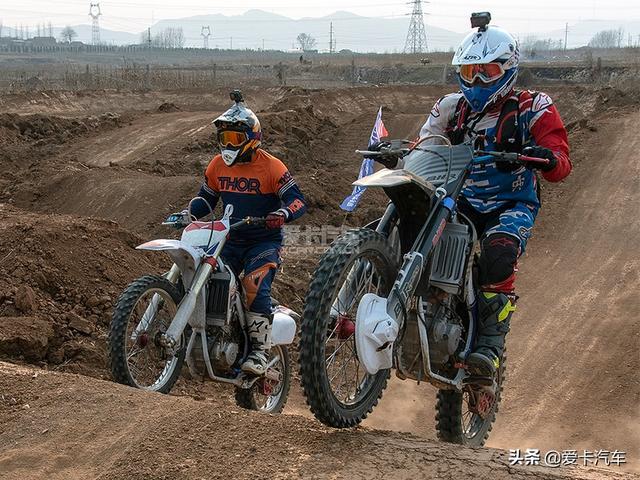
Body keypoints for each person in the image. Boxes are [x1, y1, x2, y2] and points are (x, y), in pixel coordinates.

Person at [375, 13, 571, 380]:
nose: (477, 80)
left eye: (486, 72)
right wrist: (400, 153)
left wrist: (547, 157)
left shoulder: (534, 107)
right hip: (457, 197)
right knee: (413, 227)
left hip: (510, 203)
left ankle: (487, 351)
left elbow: (561, 161)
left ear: (507, 68)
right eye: (469, 73)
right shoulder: (450, 107)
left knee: (498, 257)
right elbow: (425, 145)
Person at [182, 90, 306, 375]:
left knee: (253, 285)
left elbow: (298, 201)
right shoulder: (216, 165)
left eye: (235, 138)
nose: (228, 144)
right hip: (227, 238)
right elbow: (206, 200)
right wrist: (189, 213)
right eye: (224, 138)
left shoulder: (272, 167)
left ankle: (261, 352)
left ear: (252, 138)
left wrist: (282, 214)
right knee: (202, 277)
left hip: (262, 240)